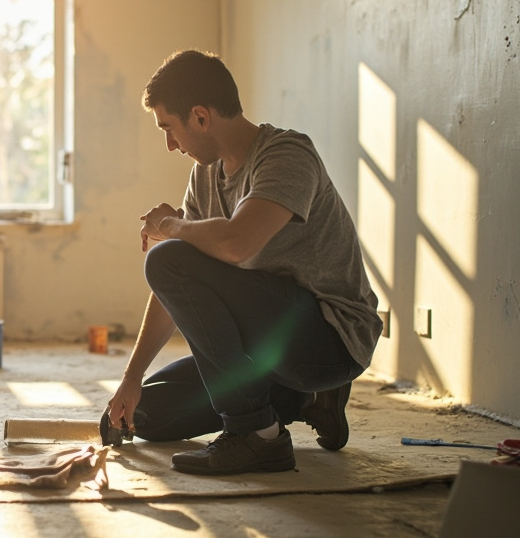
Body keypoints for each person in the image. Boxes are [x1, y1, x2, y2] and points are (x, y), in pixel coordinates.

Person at [105, 49, 383, 476]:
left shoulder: (287, 155)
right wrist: (131, 377)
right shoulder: (206, 174)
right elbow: (174, 288)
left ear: (200, 116)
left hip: (328, 339)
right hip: (267, 339)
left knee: (166, 258)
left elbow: (236, 243)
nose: (170, 145)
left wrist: (173, 226)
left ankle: (258, 435)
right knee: (148, 415)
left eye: (170, 129)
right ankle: (306, 400)